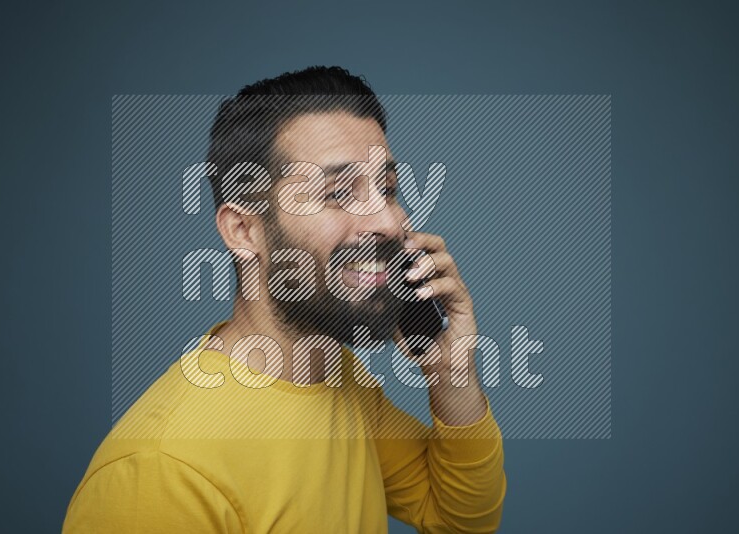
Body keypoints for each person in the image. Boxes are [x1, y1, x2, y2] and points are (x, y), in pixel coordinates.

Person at [63, 66, 506, 533]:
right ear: (244, 230)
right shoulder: (159, 474)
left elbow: (456, 519)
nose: (389, 221)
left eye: (388, 189)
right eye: (337, 193)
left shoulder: (335, 377)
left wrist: (450, 371)